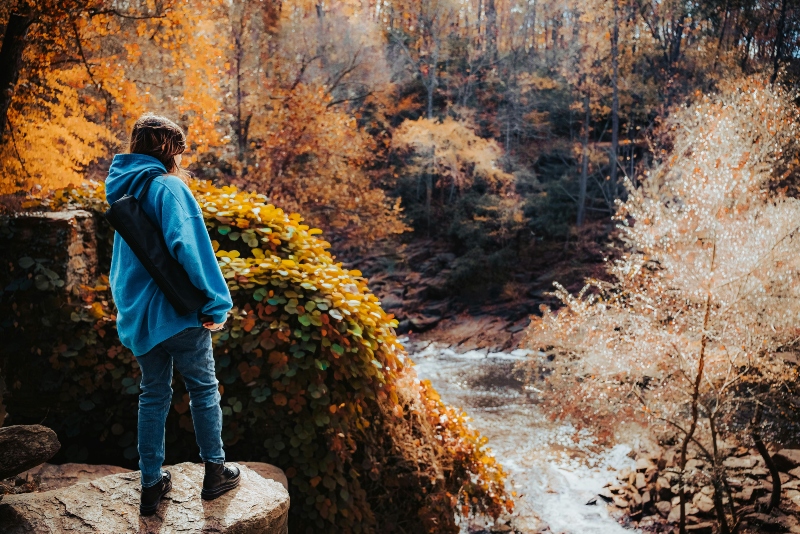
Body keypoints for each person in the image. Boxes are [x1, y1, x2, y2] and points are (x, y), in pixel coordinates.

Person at [105, 113, 239, 516]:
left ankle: (150, 484)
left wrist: (128, 312)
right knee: (202, 389)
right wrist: (217, 303)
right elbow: (192, 250)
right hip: (179, 315)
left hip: (139, 316)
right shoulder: (168, 188)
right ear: (170, 151)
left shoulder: (121, 192)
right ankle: (215, 472)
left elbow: (122, 265)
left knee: (153, 394)